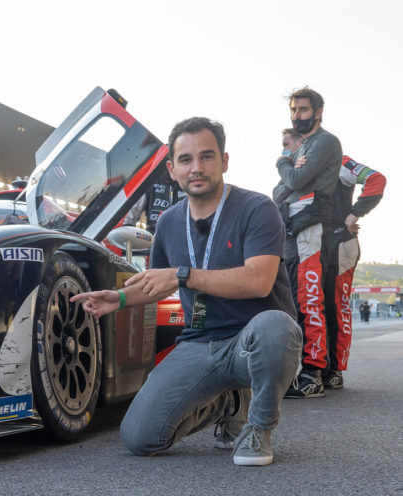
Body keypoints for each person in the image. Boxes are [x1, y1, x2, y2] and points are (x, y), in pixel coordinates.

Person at [71, 117, 300, 466]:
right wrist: (117, 299)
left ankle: (258, 428)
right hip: (200, 342)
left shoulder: (257, 208)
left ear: (224, 161)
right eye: (186, 159)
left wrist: (184, 275)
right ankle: (229, 403)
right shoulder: (168, 221)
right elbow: (158, 282)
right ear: (171, 168)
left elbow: (259, 281)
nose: (197, 168)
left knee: (275, 326)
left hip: (251, 344)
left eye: (207, 157)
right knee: (140, 437)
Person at [282, 129, 385, 389]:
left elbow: (376, 179)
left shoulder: (340, 162)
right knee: (313, 303)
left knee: (335, 306)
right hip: (315, 242)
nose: (285, 149)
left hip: (340, 242)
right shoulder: (298, 172)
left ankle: (332, 370)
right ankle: (323, 367)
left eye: (288, 143)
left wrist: (354, 214)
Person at [272, 87, 342, 399]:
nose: (297, 115)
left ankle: (313, 372)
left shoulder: (324, 142)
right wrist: (290, 171)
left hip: (312, 226)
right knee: (296, 297)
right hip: (293, 227)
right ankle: (316, 369)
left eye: (302, 110)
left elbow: (295, 182)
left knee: (309, 298)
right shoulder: (302, 146)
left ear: (318, 112)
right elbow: (278, 193)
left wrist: (282, 162)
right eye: (294, 110)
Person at [123, 168, 188, 234]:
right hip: (154, 239)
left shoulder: (189, 184)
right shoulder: (149, 182)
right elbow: (127, 220)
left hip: (183, 239)